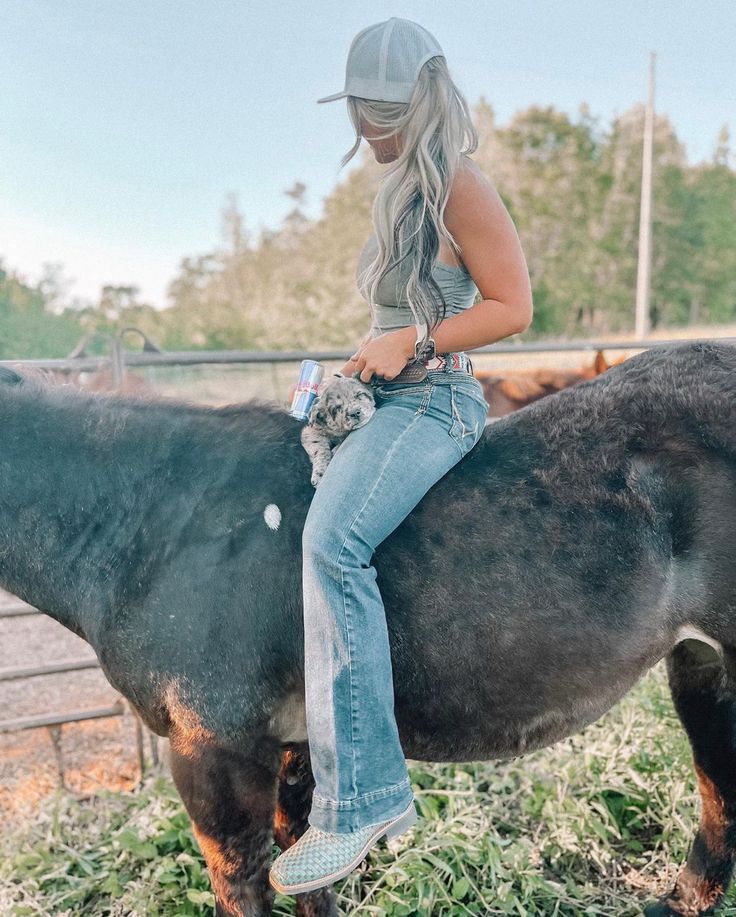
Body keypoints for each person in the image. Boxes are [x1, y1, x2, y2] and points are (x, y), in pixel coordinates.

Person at [270, 17, 533, 897]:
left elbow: (512, 305)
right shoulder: (403, 190)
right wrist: (367, 353)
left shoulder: (459, 183)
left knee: (330, 543)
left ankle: (364, 799)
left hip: (439, 400)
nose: (364, 130)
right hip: (394, 391)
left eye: (373, 114)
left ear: (406, 106)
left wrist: (413, 338)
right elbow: (410, 317)